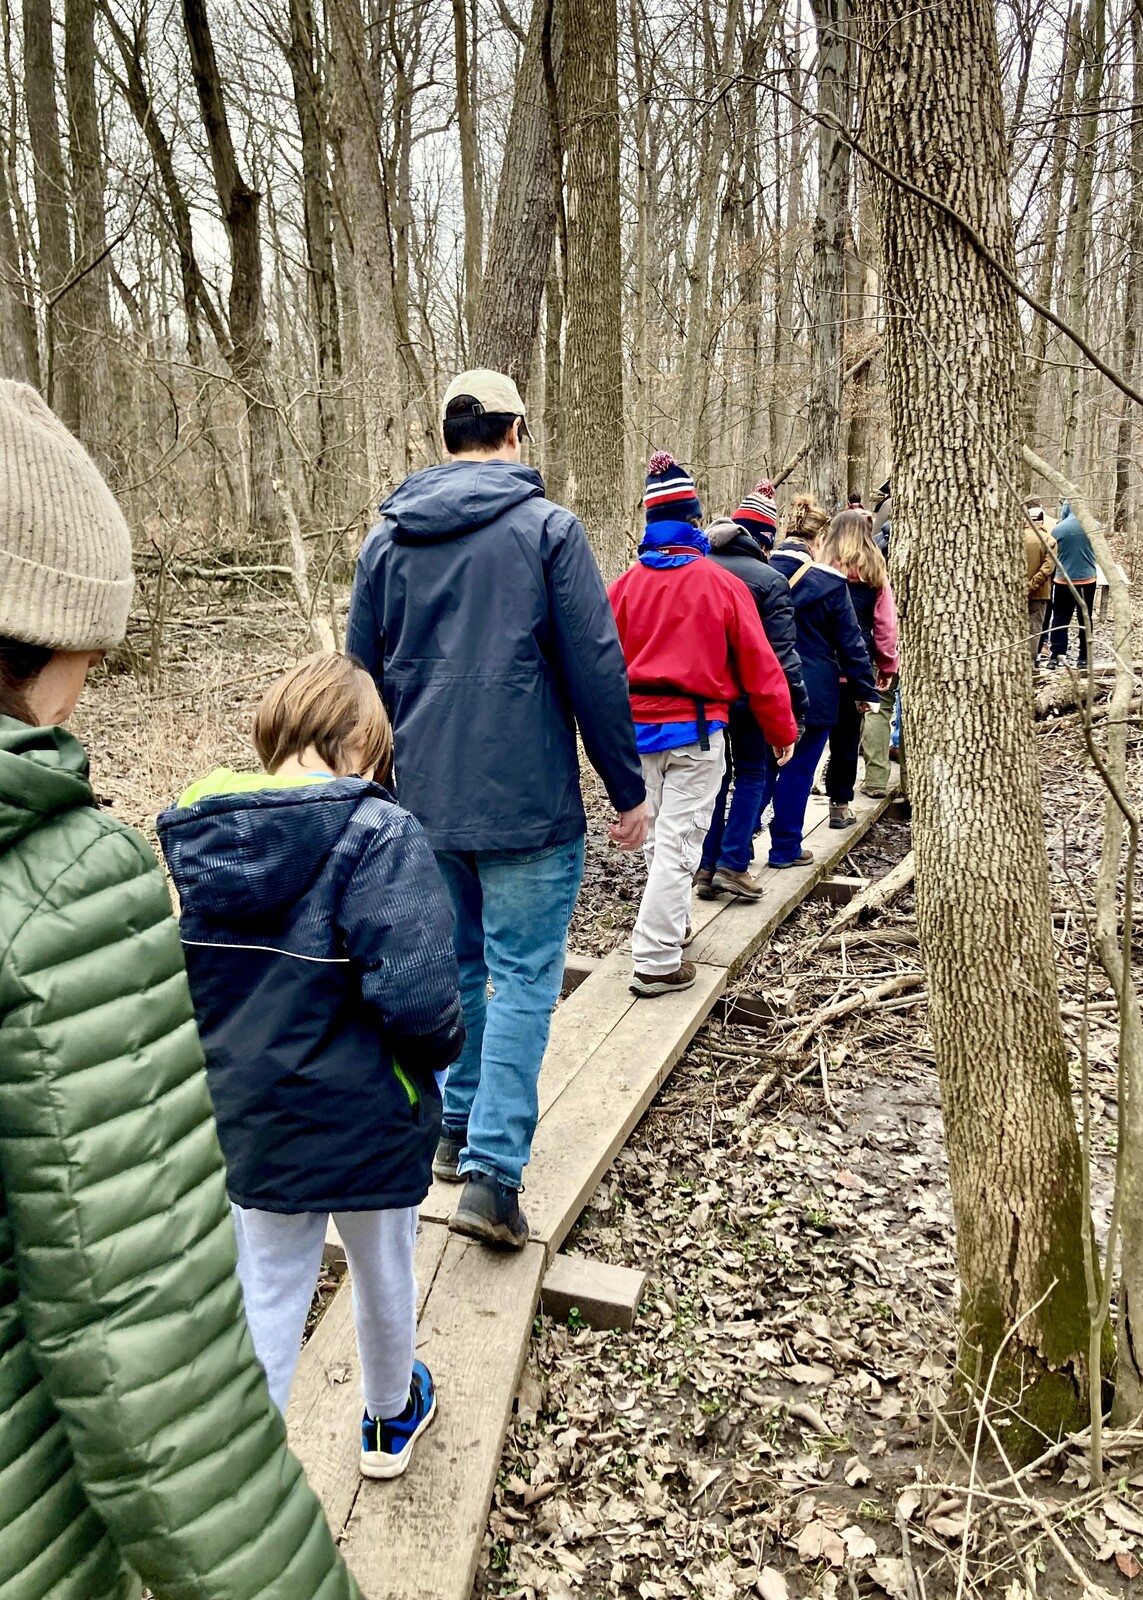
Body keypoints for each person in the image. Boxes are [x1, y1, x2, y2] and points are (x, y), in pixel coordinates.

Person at [0, 381, 358, 1600]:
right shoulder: (55, 893)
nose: (78, 703)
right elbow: (151, 1364)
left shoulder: (193, 830)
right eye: (82, 665)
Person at [345, 369, 646, 1253]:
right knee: (518, 976)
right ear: (516, 434)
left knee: (460, 963)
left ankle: (455, 1124)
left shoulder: (384, 545)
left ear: (444, 436)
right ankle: (492, 1173)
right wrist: (626, 787)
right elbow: (595, 665)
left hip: (423, 801)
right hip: (526, 806)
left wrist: (366, 792)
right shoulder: (548, 531)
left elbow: (356, 680)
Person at [158, 654, 464, 1480]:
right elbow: (420, 996)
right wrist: (438, 1058)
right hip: (368, 1108)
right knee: (384, 1269)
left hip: (248, 1110)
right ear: (364, 741)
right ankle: (390, 1418)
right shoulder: (377, 831)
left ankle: (242, 1478)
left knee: (265, 1290)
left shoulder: (205, 826)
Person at [609, 452, 797, 975]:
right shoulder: (722, 586)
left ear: (649, 525)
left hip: (635, 735)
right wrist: (782, 729)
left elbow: (596, 667)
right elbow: (762, 668)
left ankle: (674, 923)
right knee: (680, 841)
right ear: (694, 521)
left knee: (659, 837)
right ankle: (656, 959)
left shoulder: (622, 589)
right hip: (695, 734)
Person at [698, 497, 809, 898]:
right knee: (750, 773)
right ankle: (732, 863)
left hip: (705, 696)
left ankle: (706, 864)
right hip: (749, 696)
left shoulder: (699, 569)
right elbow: (781, 655)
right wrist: (796, 709)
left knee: (714, 778)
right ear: (764, 539)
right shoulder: (769, 580)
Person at [762, 495, 879, 867]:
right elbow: (851, 644)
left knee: (759, 770)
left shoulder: (760, 572)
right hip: (816, 691)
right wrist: (865, 690)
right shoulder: (829, 583)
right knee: (798, 771)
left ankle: (735, 850)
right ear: (818, 540)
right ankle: (785, 848)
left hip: (764, 685)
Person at [819, 510, 899, 819]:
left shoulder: (819, 571)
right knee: (847, 738)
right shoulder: (875, 574)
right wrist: (887, 666)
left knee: (811, 737)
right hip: (854, 667)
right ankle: (839, 804)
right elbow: (885, 627)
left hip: (819, 667)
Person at [1048, 499, 1098, 669]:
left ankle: (1055, 656)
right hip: (1088, 580)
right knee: (1085, 618)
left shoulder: (1058, 529)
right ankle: (1084, 657)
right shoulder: (1094, 526)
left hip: (1063, 581)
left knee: (1060, 618)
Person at [1024, 498, 1057, 665]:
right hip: (1039, 592)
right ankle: (1030, 664)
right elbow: (1048, 568)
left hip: (1016, 592)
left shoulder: (1015, 538)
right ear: (1042, 521)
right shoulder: (1049, 540)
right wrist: (1033, 585)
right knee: (1035, 629)